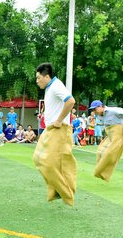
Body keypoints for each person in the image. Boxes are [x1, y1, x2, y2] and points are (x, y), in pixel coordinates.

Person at [33, 63, 76, 206]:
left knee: (49, 162)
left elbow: (70, 101)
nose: (37, 81)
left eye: (39, 78)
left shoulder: (56, 85)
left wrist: (59, 120)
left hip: (59, 129)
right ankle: (55, 189)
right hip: (50, 129)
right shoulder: (50, 88)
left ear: (47, 76)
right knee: (38, 158)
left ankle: (66, 193)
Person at [89, 100, 123, 181]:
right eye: (93, 110)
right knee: (100, 151)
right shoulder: (99, 116)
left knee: (109, 153)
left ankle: (103, 174)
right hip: (111, 135)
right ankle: (101, 172)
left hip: (120, 133)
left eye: (95, 109)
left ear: (100, 106)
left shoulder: (113, 110)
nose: (94, 111)